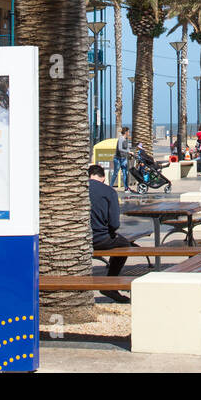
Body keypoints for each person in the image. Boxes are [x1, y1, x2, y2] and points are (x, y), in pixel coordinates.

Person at [88, 164, 135, 303]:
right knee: (125, 245)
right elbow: (115, 224)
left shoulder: (78, 190)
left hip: (77, 239)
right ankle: (109, 284)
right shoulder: (109, 191)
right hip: (101, 239)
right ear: (103, 178)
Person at [110, 126, 131, 191]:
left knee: (125, 173)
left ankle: (126, 187)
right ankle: (110, 187)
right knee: (115, 173)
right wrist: (128, 152)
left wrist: (130, 152)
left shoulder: (126, 139)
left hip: (124, 158)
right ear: (126, 132)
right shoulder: (121, 139)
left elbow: (127, 148)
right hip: (118, 159)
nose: (129, 133)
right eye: (128, 132)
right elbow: (120, 148)